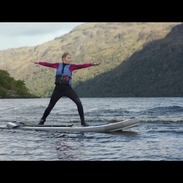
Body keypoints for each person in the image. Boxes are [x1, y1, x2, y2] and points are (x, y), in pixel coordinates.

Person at [31, 51, 101, 126]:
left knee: (78, 103)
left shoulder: (72, 66)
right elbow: (47, 64)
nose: (70, 59)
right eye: (68, 58)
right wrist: (38, 62)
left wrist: (93, 64)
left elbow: (82, 65)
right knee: (50, 105)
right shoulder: (57, 65)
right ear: (64, 58)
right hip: (58, 89)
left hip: (67, 89)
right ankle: (42, 120)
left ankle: (83, 122)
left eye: (70, 58)